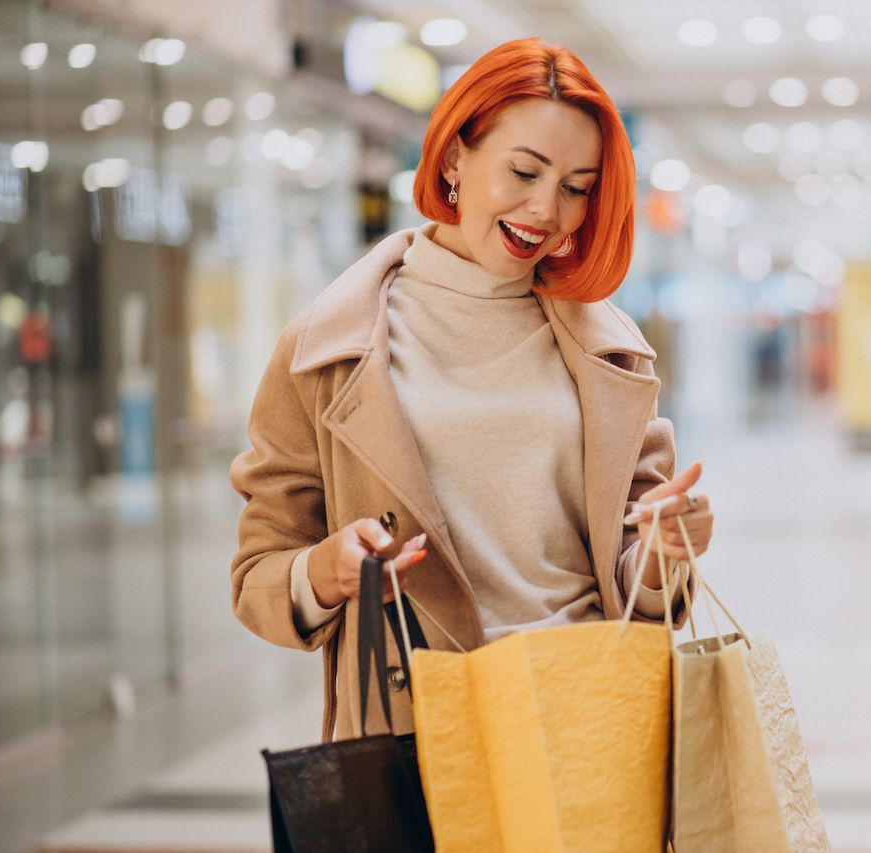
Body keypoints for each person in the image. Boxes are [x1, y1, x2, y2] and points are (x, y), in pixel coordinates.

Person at [229, 38, 714, 742]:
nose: (546, 210)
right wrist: (328, 569)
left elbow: (638, 592)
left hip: (591, 727)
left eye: (577, 187)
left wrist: (664, 551)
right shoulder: (326, 351)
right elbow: (257, 576)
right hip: (422, 733)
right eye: (524, 171)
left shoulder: (607, 353)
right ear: (455, 157)